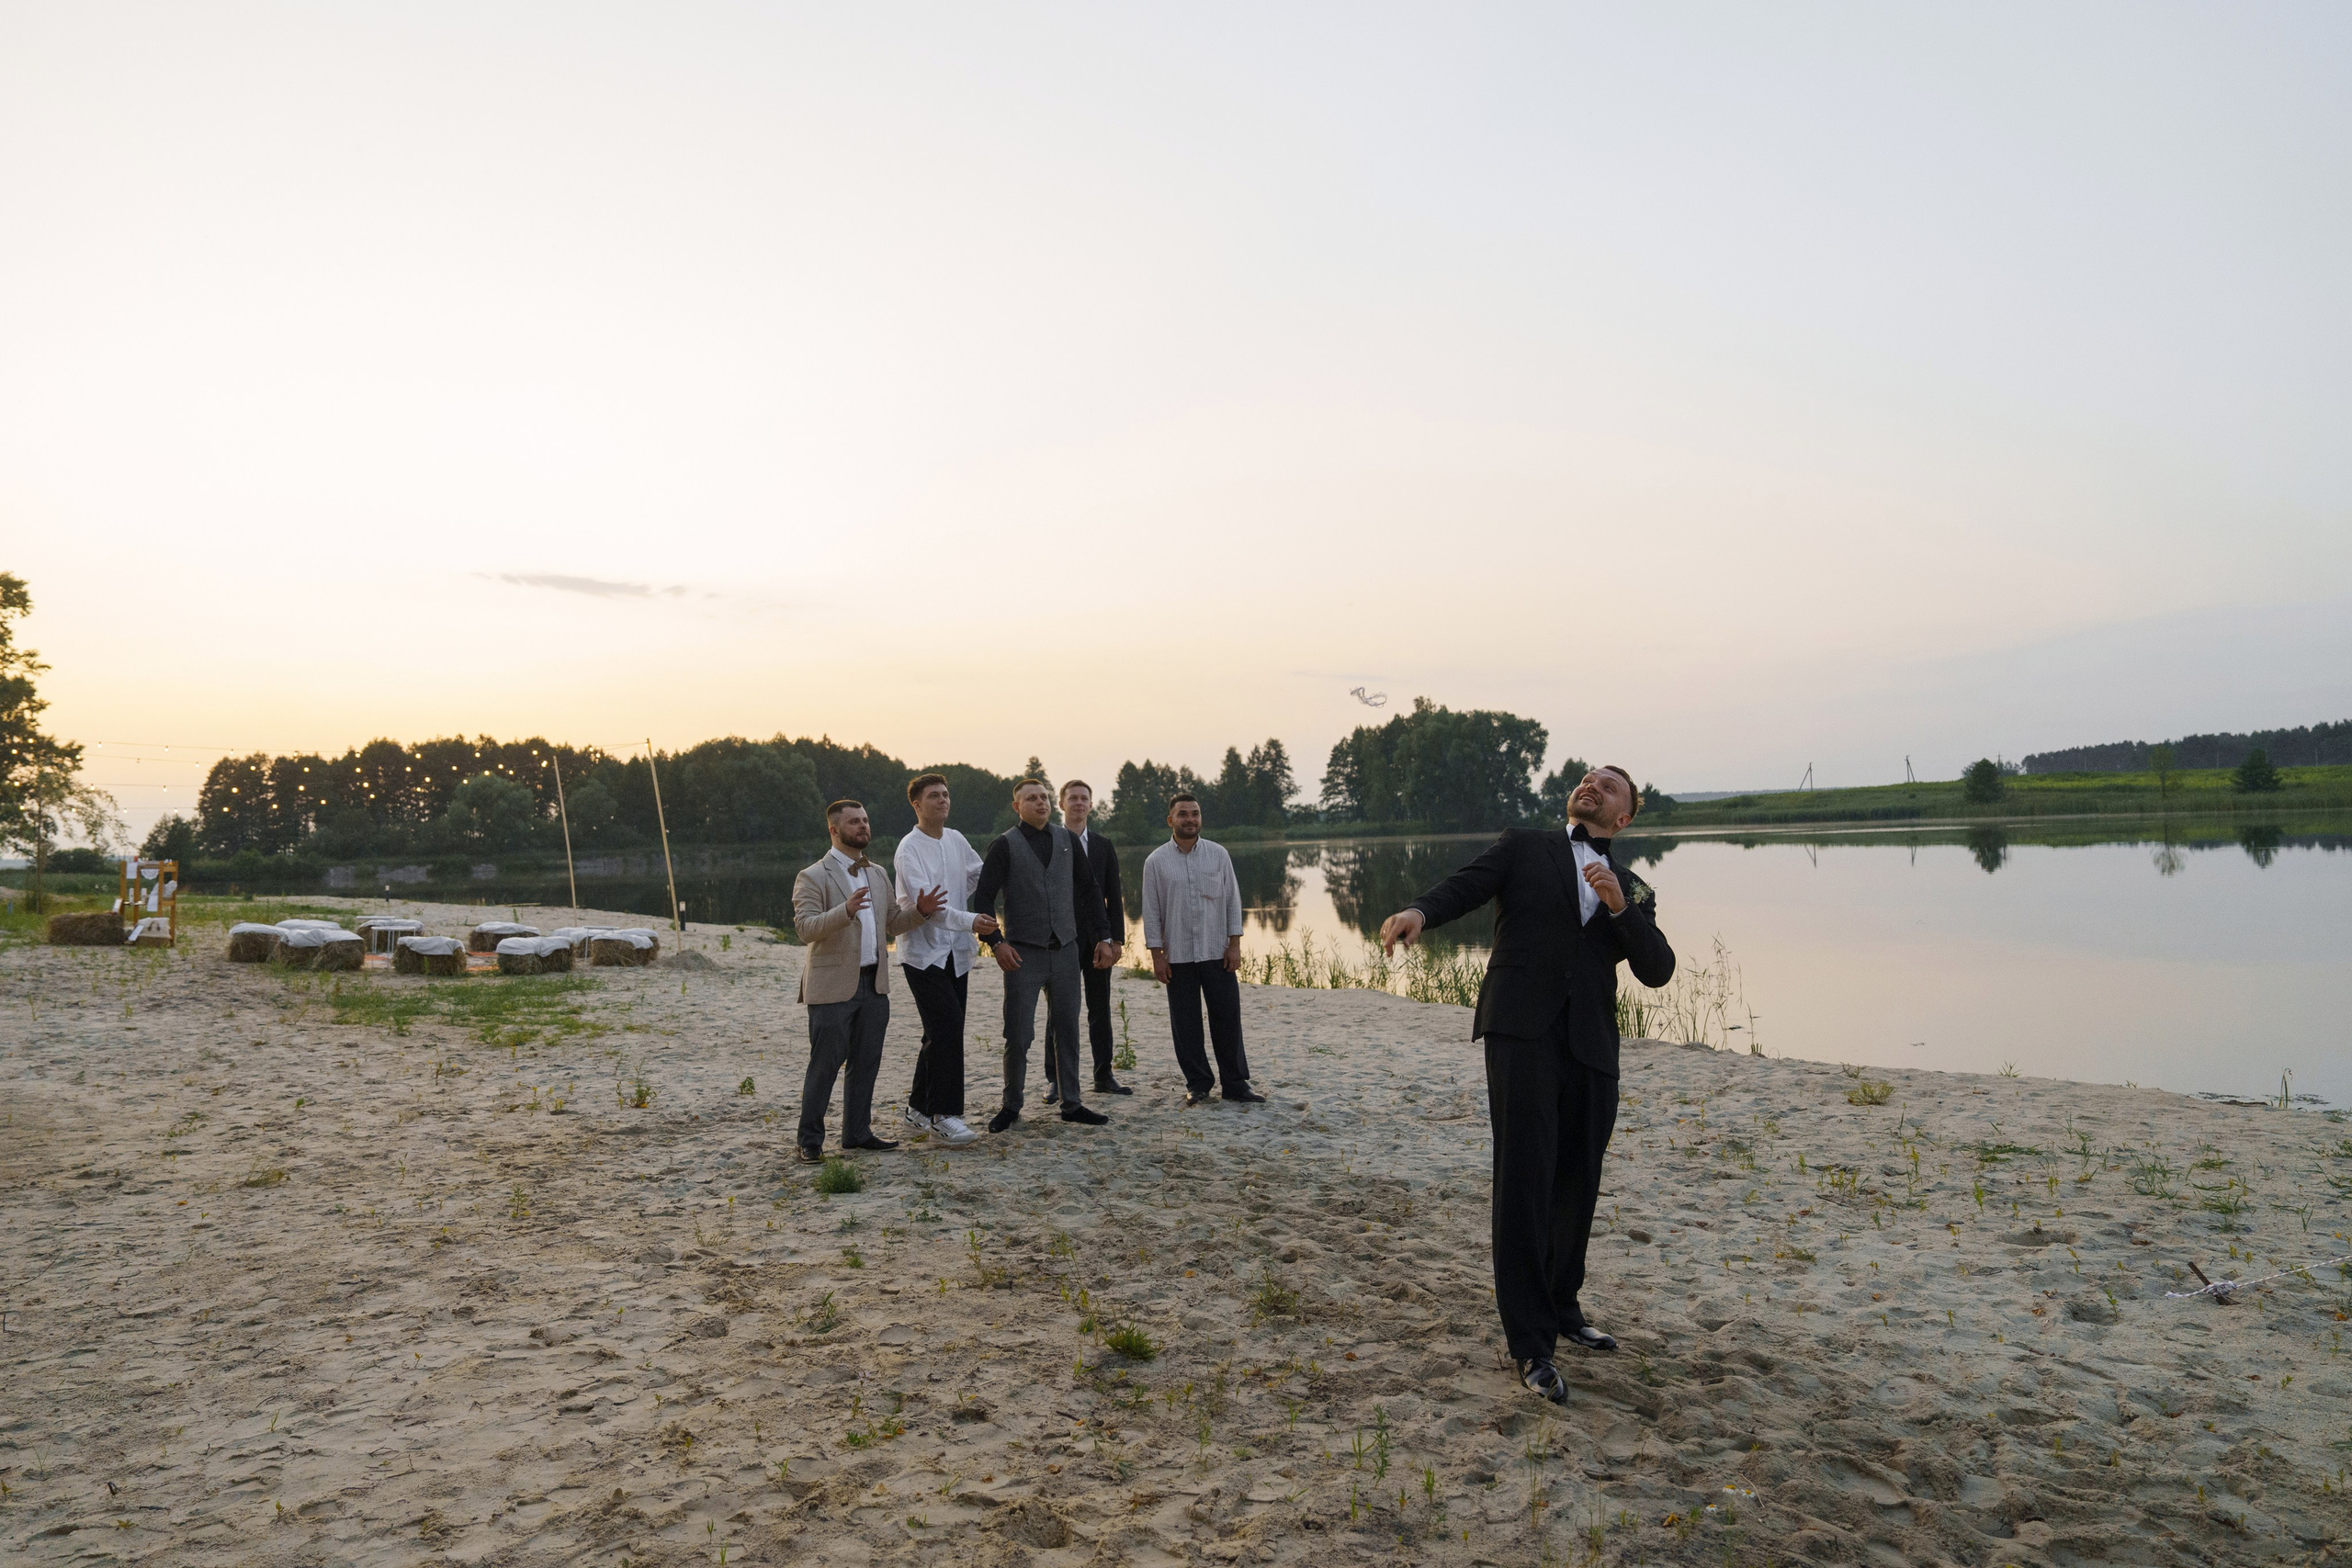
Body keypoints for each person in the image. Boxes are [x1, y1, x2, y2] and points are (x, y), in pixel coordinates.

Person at [1377, 765, 1674, 1406]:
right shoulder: (1524, 845)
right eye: (1589, 777)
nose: (1593, 784)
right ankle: (1532, 1345)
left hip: (1593, 1045)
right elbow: (1464, 887)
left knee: (1577, 1180)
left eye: (1610, 785)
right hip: (1522, 1033)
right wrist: (1418, 910)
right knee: (1524, 1179)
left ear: (1623, 819)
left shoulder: (1632, 883)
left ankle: (1563, 1304)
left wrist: (1622, 909)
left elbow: (1658, 968)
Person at [970, 778, 1122, 1133]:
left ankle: (1072, 1103)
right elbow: (982, 900)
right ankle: (1012, 1105)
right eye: (1032, 799)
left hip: (1067, 951)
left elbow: (1090, 890)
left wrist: (1104, 937)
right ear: (1017, 806)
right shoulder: (1004, 845)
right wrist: (997, 943)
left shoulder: (1067, 840)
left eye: (1044, 798)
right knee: (1019, 1033)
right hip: (1023, 954)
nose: (1041, 803)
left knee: (1067, 1030)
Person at [791, 799, 930, 1162]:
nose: (863, 826)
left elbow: (893, 923)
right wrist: (845, 911)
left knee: (866, 1063)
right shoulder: (813, 875)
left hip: (875, 985)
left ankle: (856, 1133)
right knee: (824, 1066)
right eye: (854, 822)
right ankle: (810, 1140)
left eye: (865, 820)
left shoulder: (878, 874)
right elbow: (805, 929)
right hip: (832, 988)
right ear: (834, 830)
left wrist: (921, 912)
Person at [892, 773, 999, 1148]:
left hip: (957, 953)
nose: (943, 800)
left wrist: (974, 887)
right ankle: (944, 1116)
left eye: (946, 794)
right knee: (948, 1028)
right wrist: (972, 920)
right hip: (924, 954)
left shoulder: (955, 839)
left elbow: (975, 874)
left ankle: (917, 1109)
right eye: (934, 796)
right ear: (916, 804)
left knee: (939, 1032)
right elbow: (931, 910)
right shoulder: (909, 848)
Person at [1139, 792, 1262, 1107]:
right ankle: (1198, 1083)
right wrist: (1157, 956)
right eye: (1183, 814)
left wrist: (1234, 945)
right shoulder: (1155, 862)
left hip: (1216, 951)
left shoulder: (1219, 855)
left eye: (1195, 814)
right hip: (1178, 955)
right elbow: (1152, 913)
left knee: (1227, 1017)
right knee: (1185, 1022)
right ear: (1171, 820)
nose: (1190, 819)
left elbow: (1233, 901)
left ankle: (1235, 1084)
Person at [1043, 778, 1132, 1103]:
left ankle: (1103, 1075)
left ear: (1091, 805)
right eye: (1073, 798)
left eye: (1084, 798)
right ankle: (1055, 1080)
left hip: (1098, 941)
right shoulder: (1050, 840)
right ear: (1061, 804)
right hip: (1062, 939)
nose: (1079, 803)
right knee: (1059, 1011)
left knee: (1100, 1008)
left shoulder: (1103, 845)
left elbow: (1113, 896)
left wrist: (1116, 940)